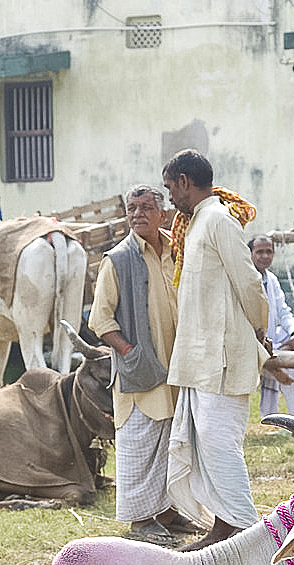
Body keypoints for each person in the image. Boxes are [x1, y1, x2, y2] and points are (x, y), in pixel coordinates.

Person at [162, 150, 270, 549]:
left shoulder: (219, 220)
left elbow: (249, 283)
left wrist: (259, 328)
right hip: (200, 356)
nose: (170, 196)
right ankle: (225, 526)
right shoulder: (195, 223)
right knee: (205, 441)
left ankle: (244, 531)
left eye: (171, 187)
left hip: (223, 355)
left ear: (186, 182)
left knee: (219, 441)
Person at [88, 184, 208, 544]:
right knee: (141, 444)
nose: (137, 214)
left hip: (181, 368)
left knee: (176, 440)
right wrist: (129, 352)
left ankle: (172, 514)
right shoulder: (118, 259)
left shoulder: (179, 248)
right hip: (143, 371)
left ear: (163, 214)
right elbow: (100, 319)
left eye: (145, 208)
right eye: (132, 208)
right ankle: (141, 521)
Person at [249, 234, 294, 421]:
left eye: (269, 252)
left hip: (275, 341)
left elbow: (284, 312)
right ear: (250, 254)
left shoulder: (271, 279)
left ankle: (281, 353)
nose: (265, 256)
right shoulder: (246, 279)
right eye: (260, 252)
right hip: (252, 343)